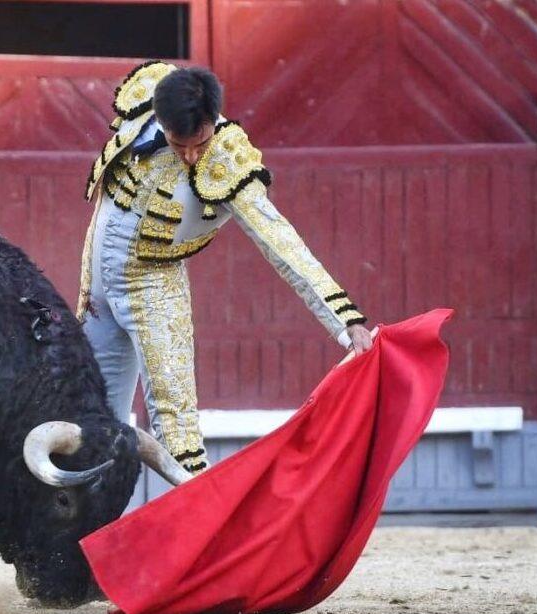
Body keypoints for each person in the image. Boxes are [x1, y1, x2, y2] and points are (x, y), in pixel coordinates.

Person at [78, 63, 373, 475]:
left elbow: (281, 241)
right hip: (96, 286)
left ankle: (199, 533)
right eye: (181, 146)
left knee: (177, 428)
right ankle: (89, 532)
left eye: (201, 142)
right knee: (89, 415)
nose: (192, 155)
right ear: (160, 120)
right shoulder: (145, 99)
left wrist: (346, 320)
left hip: (154, 290)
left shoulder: (229, 160)